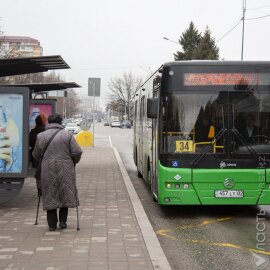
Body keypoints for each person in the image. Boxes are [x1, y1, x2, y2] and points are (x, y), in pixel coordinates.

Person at [33, 114, 83, 231]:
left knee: (50, 193)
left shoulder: (41, 136)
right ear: (60, 122)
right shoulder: (68, 135)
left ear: (48, 123)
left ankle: (51, 225)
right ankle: (63, 222)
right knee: (64, 192)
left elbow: (36, 155)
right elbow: (77, 152)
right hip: (66, 167)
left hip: (47, 169)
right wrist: (73, 161)